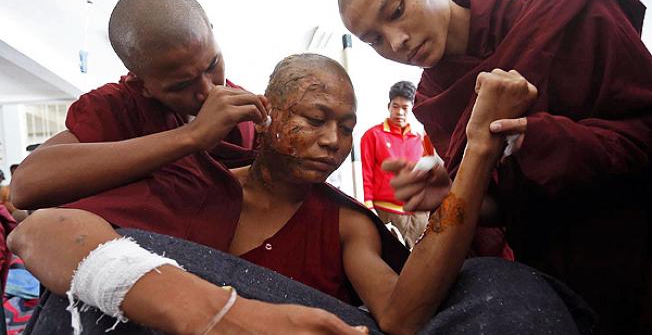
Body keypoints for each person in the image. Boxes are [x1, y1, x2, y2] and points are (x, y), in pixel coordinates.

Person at [10, 54, 590, 335]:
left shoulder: (345, 223)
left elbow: (402, 313)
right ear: (265, 117)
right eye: (315, 119)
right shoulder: (196, 182)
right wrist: (220, 316)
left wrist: (477, 157)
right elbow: (43, 228)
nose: (334, 142)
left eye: (346, 124)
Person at [337, 0, 652, 335]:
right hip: (554, 283)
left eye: (397, 11)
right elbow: (513, 204)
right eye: (374, 40)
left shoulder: (574, 13)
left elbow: (644, 133)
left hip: (636, 253)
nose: (396, 41)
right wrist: (456, 193)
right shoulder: (433, 101)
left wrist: (536, 138)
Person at [9, 0, 364, 334]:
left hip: (218, 275)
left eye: (213, 64)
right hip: (130, 287)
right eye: (181, 85)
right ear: (142, 84)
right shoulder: (119, 108)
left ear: (212, 32)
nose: (208, 89)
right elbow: (25, 190)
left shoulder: (240, 110)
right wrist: (189, 137)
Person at [360, 81, 429, 248]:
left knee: (419, 261)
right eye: (395, 106)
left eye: (405, 108)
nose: (399, 112)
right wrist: (368, 206)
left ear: (412, 109)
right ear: (388, 106)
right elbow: (366, 172)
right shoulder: (373, 135)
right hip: (387, 212)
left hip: (418, 214)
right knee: (392, 261)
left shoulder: (420, 139)